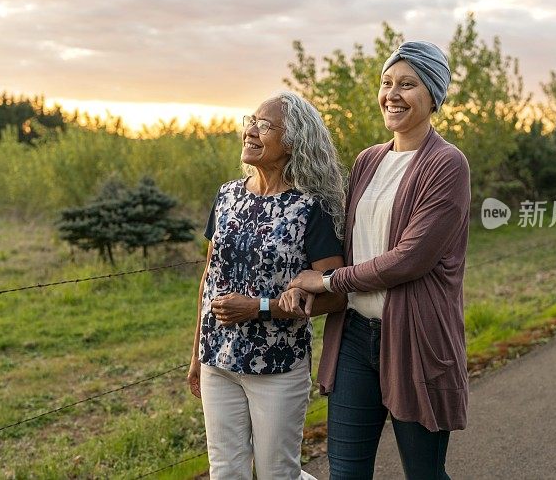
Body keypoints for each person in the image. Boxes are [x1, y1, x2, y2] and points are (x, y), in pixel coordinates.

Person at [288, 41, 471, 480]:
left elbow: (408, 259)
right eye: (387, 82)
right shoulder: (368, 160)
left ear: (433, 96)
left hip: (414, 338)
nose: (392, 94)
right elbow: (346, 238)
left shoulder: (447, 164)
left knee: (423, 473)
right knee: (346, 473)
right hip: (353, 337)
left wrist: (328, 281)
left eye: (407, 85)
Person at [186, 91, 347, 480]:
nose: (250, 131)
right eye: (251, 121)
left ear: (294, 141)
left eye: (265, 125)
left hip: (277, 366)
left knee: (277, 473)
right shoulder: (227, 196)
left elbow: (338, 295)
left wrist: (260, 307)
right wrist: (196, 355)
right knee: (225, 471)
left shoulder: (312, 208)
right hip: (217, 361)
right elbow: (210, 277)